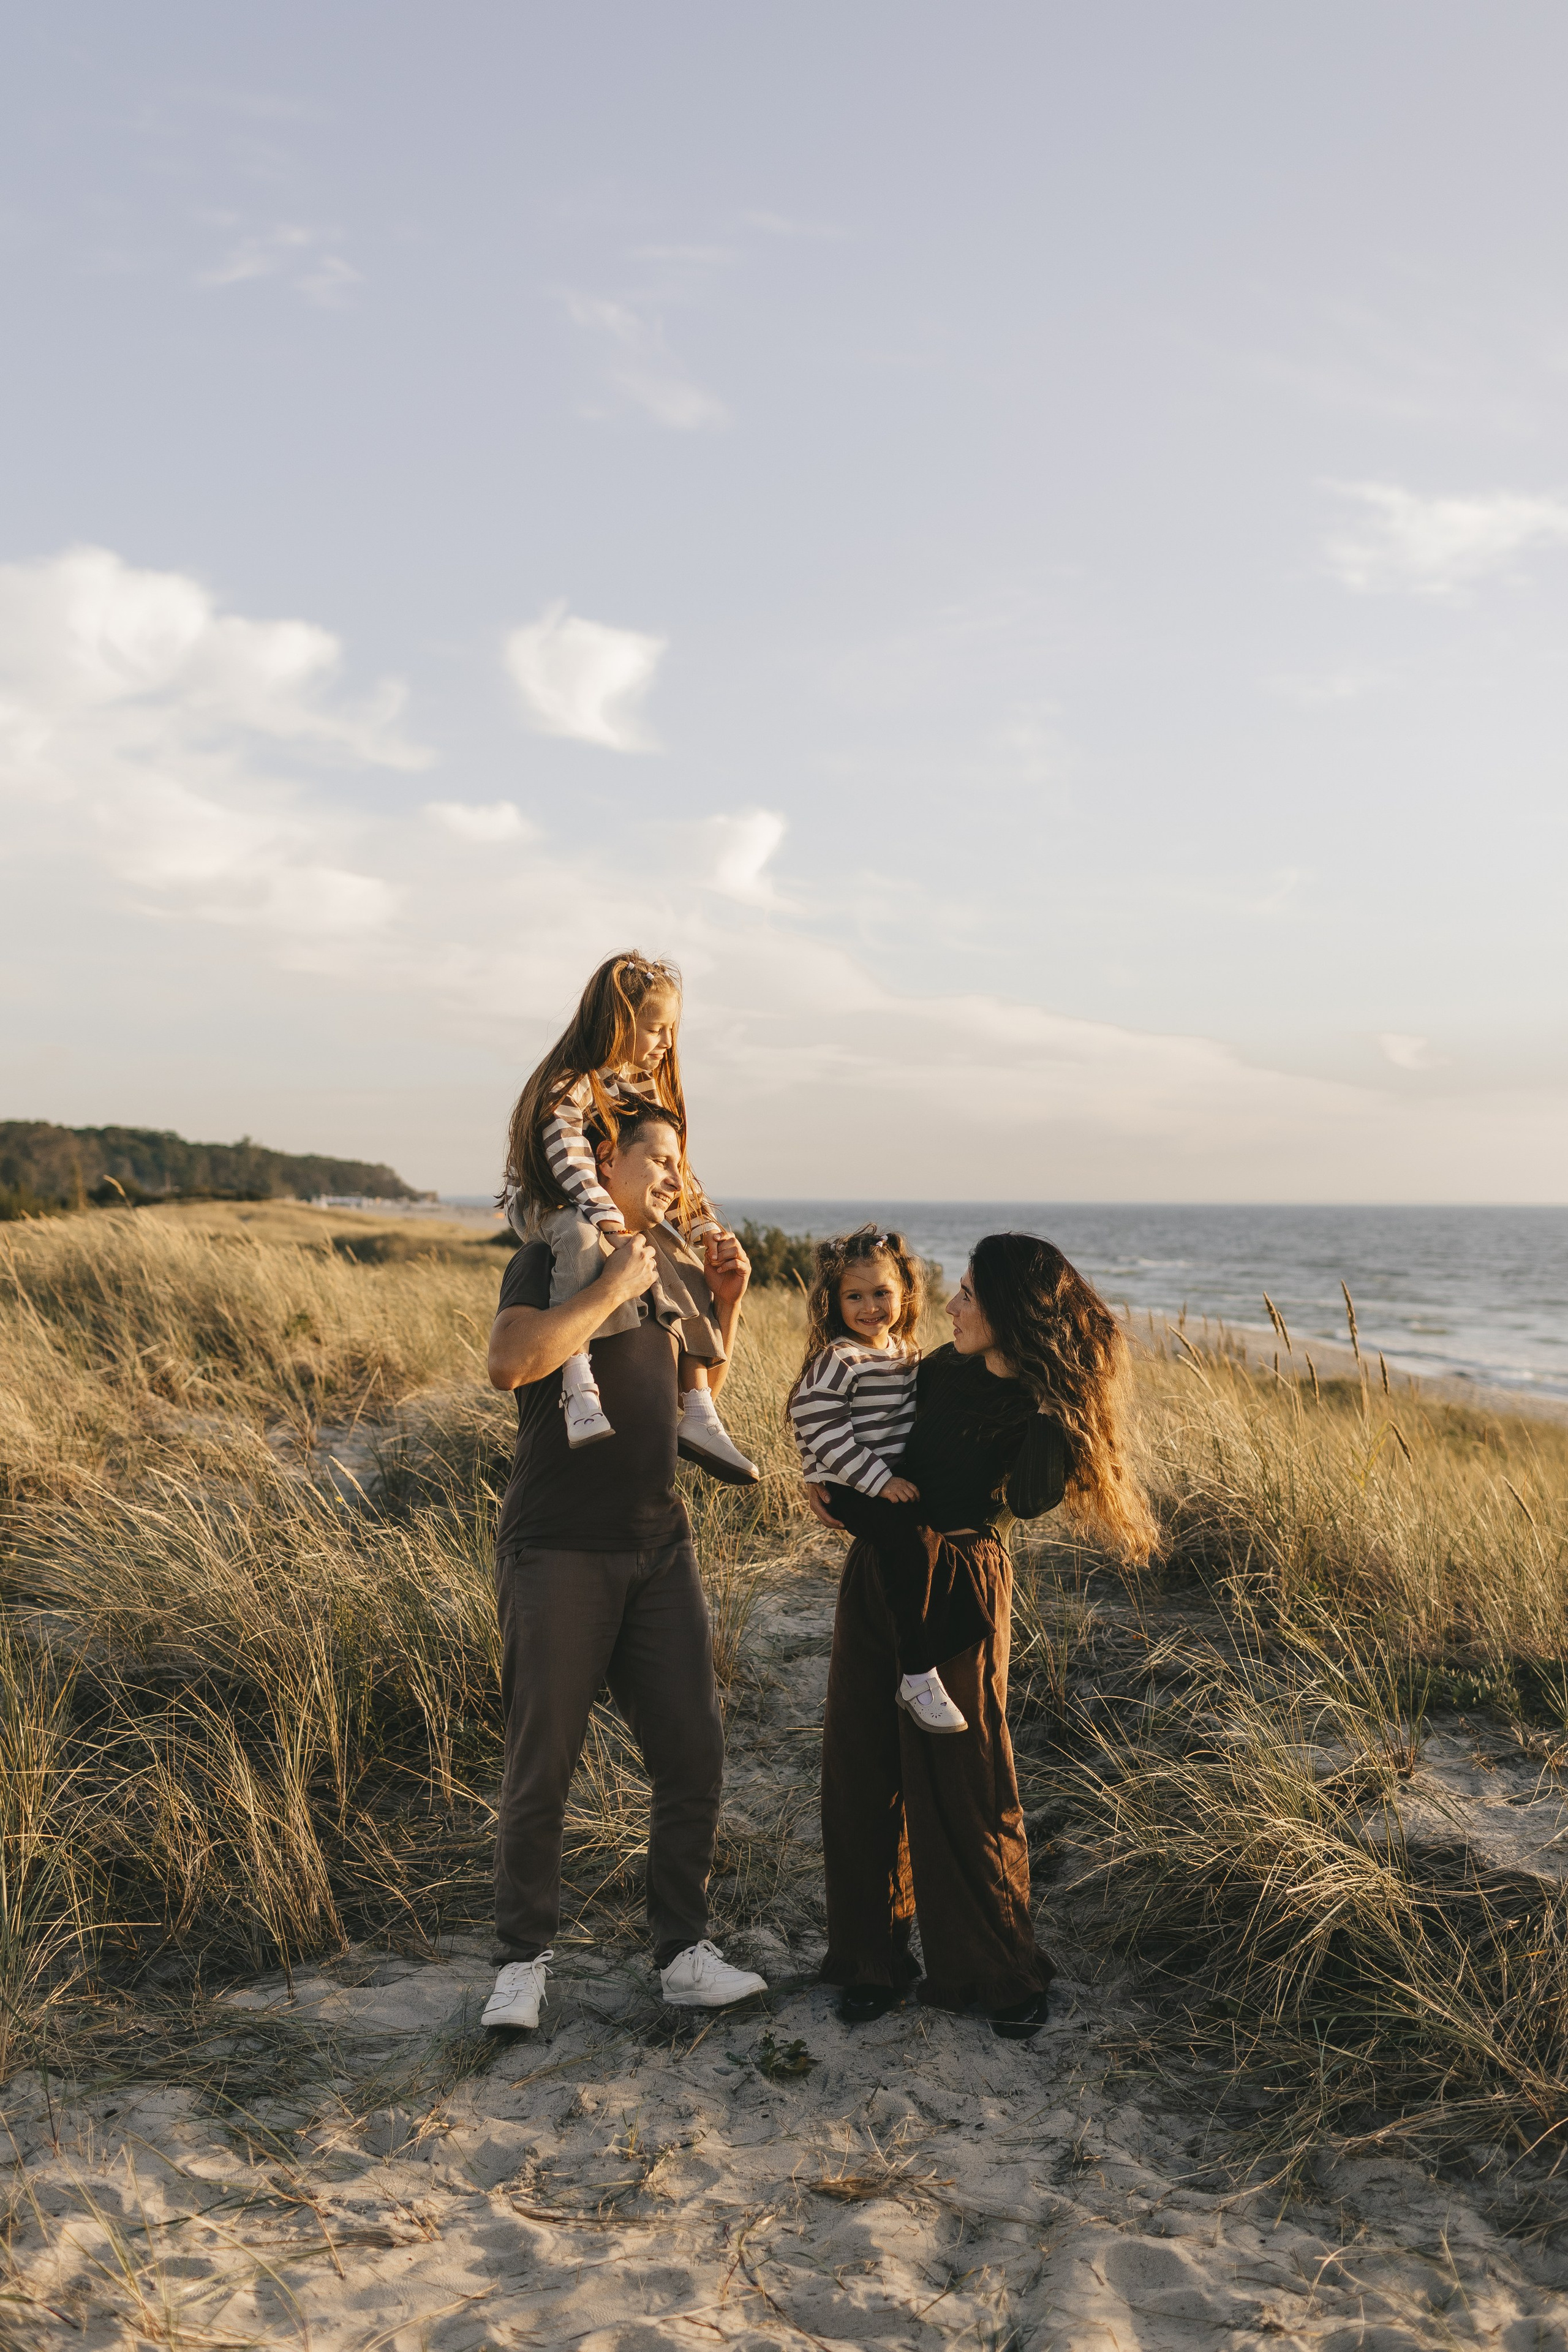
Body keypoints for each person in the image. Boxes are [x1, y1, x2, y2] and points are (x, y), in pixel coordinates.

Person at [810, 1232, 1158, 2040]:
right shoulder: (936, 1370)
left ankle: (995, 1972)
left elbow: (1031, 1501)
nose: (952, 1306)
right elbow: (858, 1426)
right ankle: (872, 1963)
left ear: (1009, 1311)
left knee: (964, 1780)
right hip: (881, 1572)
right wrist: (819, 1476)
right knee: (861, 1767)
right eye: (958, 1292)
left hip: (962, 1582)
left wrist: (1055, 1398)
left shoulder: (1037, 1407)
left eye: (968, 1294)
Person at [481, 1099, 769, 2032]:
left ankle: (684, 1952)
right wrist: (609, 1288)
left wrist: (725, 1299)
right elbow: (511, 1363)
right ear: (605, 1158)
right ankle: (523, 1965)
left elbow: (696, 1408)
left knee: (693, 1750)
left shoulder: (672, 1262)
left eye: (683, 1164)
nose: (675, 1178)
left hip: (659, 1544)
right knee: (543, 1765)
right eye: (661, 1159)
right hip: (559, 1546)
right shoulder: (553, 1251)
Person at [498, 950, 755, 1482]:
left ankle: (702, 1413)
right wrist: (610, 1228)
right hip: (555, 1201)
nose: (666, 1044)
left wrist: (706, 1241)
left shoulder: (639, 1088)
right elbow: (572, 1164)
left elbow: (675, 1171)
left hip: (654, 1526)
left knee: (673, 1250)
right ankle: (578, 1379)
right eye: (657, 1029)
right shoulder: (568, 1085)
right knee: (580, 1236)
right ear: (619, 1023)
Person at [786, 1226, 966, 1736]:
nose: (870, 1307)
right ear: (834, 1301)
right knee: (908, 1545)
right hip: (855, 1484)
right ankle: (916, 1674)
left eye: (881, 1293)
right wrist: (873, 1480)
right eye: (855, 1296)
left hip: (886, 1479)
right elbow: (813, 1419)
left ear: (904, 1294)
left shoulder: (905, 1351)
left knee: (931, 1543)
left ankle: (939, 1651)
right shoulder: (842, 1357)